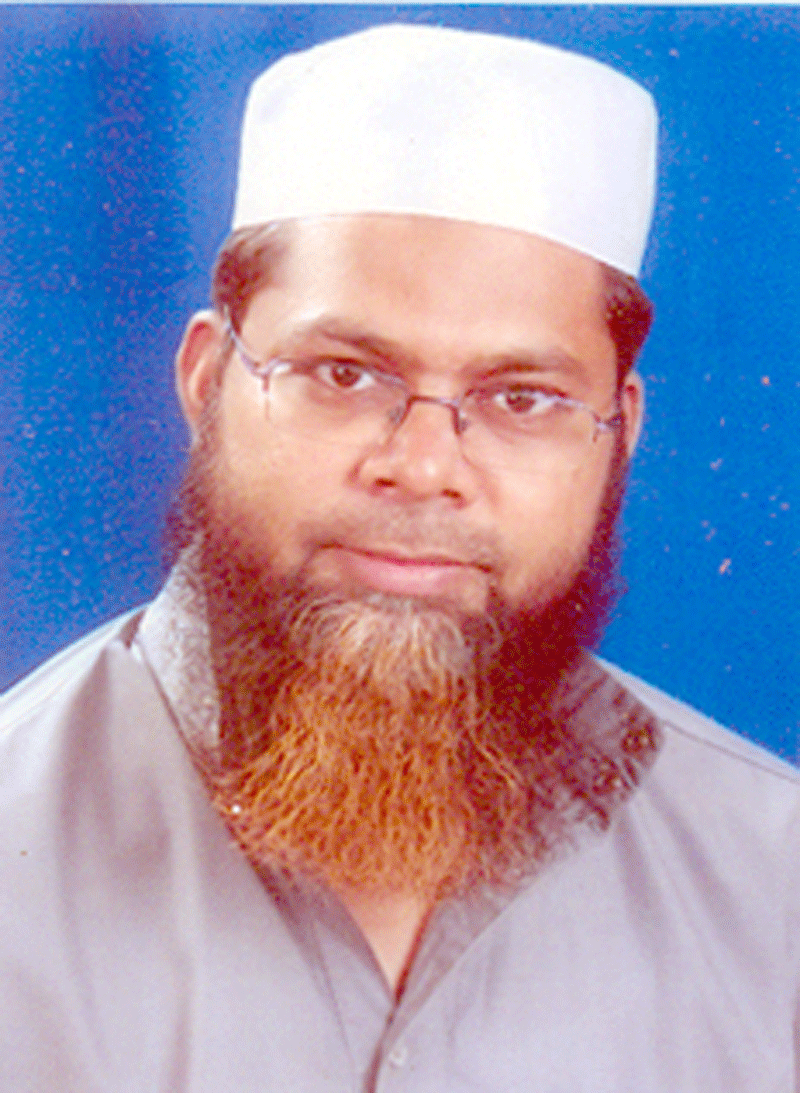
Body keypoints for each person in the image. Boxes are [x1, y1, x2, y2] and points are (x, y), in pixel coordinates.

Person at [1, 23, 797, 1092]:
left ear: (620, 435)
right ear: (205, 384)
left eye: (522, 399)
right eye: (344, 374)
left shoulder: (772, 883)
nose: (423, 468)